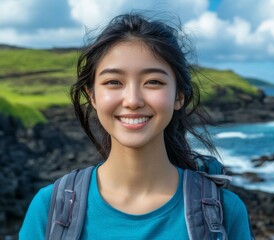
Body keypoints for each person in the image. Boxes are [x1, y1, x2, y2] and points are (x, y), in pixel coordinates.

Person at [19, 12, 252, 239]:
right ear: (92, 96)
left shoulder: (225, 212)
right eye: (113, 82)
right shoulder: (49, 208)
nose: (132, 100)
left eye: (153, 82)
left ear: (178, 96)